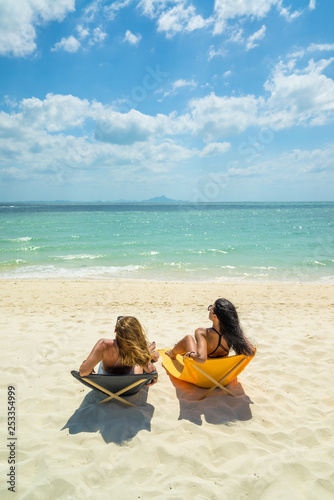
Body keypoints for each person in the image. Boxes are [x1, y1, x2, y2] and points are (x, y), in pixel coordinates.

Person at [166, 298, 255, 363]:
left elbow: (201, 359)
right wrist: (236, 329)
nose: (209, 311)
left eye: (210, 309)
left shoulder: (202, 332)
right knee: (198, 345)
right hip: (221, 373)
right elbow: (251, 352)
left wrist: (189, 354)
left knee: (188, 338)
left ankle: (172, 353)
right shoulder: (232, 333)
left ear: (214, 316)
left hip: (203, 372)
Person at [79, 316, 159, 383]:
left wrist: (86, 363)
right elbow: (151, 371)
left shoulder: (103, 344)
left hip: (107, 387)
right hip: (130, 387)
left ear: (115, 330)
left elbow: (83, 372)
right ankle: (149, 351)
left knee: (101, 356)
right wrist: (155, 378)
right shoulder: (138, 347)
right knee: (139, 358)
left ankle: (149, 351)